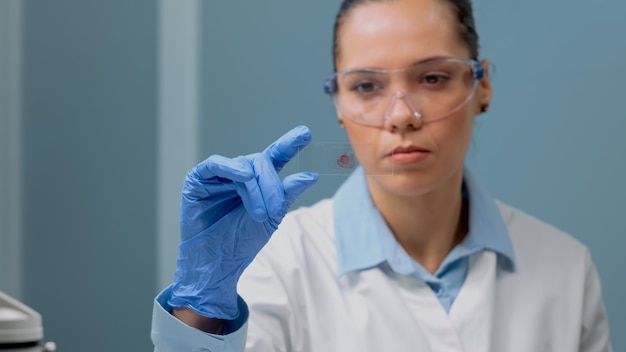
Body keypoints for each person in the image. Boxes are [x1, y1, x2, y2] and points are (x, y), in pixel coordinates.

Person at [151, 0, 613, 350]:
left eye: (432, 78)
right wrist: (201, 312)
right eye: (367, 86)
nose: (401, 116)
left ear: (482, 85)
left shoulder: (566, 270)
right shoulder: (276, 264)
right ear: (338, 103)